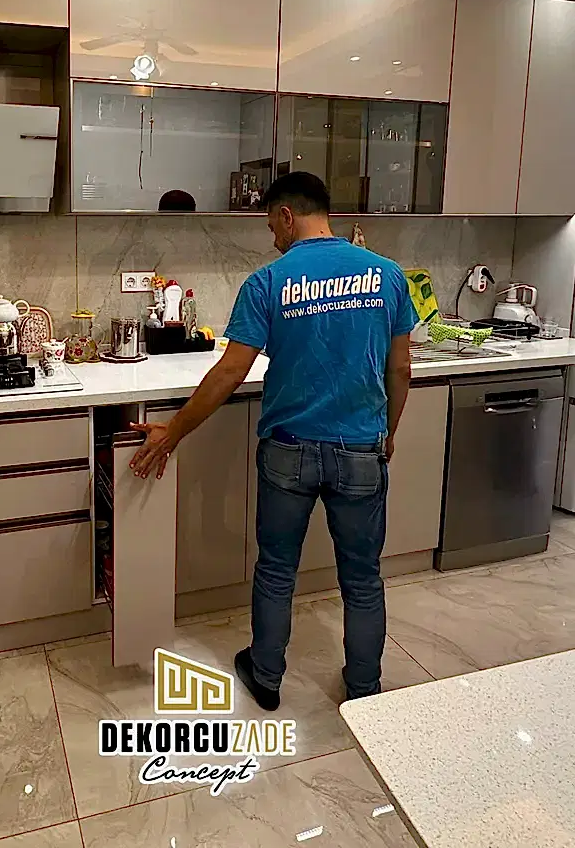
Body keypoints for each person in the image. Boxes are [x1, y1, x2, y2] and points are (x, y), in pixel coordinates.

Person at [130, 171, 415, 708]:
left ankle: (265, 675)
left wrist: (173, 431)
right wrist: (388, 433)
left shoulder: (268, 282)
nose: (273, 238)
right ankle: (364, 691)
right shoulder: (388, 275)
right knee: (362, 578)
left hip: (288, 451)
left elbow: (229, 372)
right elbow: (400, 369)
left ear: (287, 215)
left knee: (277, 569)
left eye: (271, 226)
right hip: (361, 448)